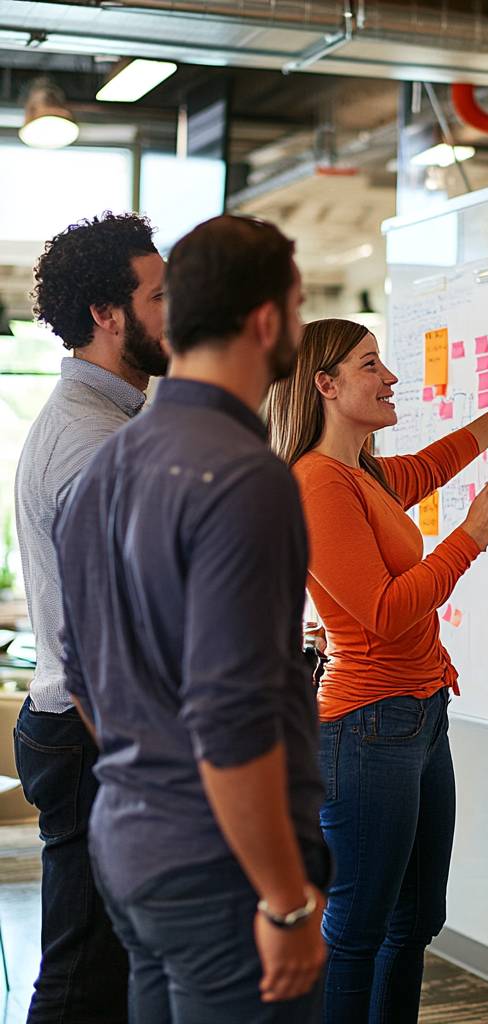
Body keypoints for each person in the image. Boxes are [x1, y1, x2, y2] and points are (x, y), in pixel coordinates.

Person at [54, 215, 327, 1023]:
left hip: (131, 843)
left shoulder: (109, 460)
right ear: (269, 319)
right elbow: (231, 717)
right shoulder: (244, 475)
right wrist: (284, 900)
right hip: (225, 873)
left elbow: (82, 669)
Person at [267, 319, 488, 1022]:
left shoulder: (361, 473)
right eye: (371, 365)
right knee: (359, 933)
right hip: (367, 728)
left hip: (419, 715)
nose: (390, 377)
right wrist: (471, 538)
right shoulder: (315, 483)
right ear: (325, 386)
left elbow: (430, 466)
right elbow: (384, 612)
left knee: (415, 920)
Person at [13, 212, 167, 1024]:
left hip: (92, 731)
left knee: (110, 972)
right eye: (159, 296)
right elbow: (90, 637)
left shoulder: (116, 422)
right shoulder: (91, 439)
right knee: (85, 981)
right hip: (95, 736)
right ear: (109, 315)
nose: (177, 312)